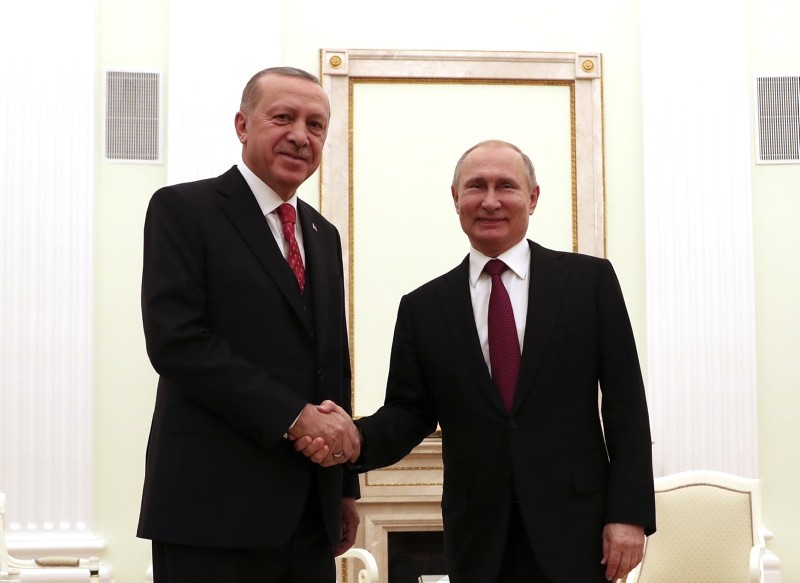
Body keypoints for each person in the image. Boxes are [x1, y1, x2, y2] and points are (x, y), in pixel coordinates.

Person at [298, 140, 656, 582]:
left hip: (578, 532)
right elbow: (409, 413)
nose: (490, 200)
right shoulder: (424, 308)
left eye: (506, 186)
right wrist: (353, 439)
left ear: (533, 198)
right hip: (479, 538)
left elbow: (625, 406)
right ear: (456, 199)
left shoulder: (590, 283)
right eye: (476, 186)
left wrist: (629, 515)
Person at [137, 66, 362, 583]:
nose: (301, 136)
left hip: (310, 515)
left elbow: (332, 363)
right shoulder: (183, 209)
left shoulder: (323, 234)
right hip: (211, 511)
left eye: (316, 125)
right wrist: (295, 417)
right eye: (283, 118)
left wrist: (343, 488)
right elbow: (178, 343)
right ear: (242, 125)